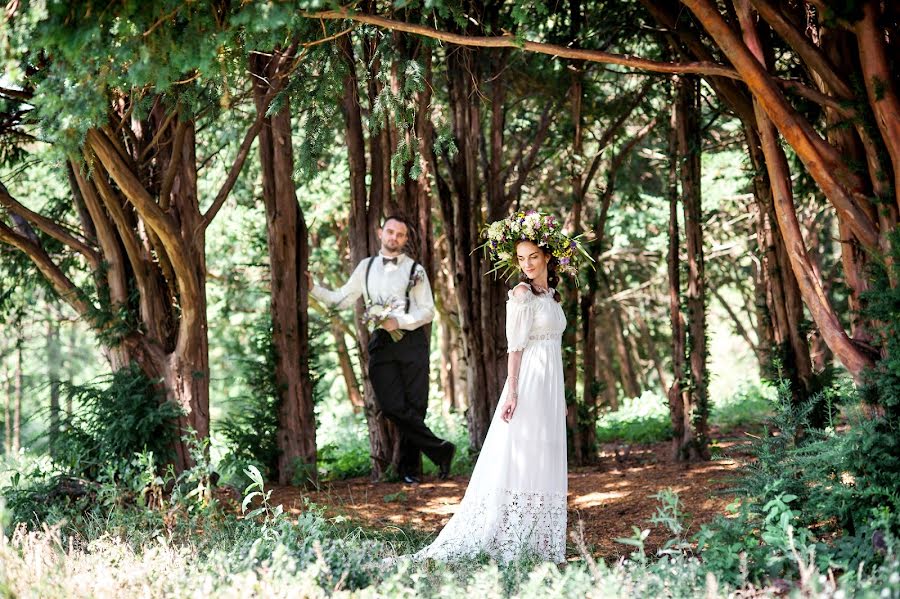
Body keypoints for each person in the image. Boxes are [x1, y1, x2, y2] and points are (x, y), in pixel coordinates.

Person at [403, 210, 588, 565]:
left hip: (549, 386)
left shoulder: (551, 295)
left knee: (544, 455)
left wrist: (561, 396)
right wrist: (513, 391)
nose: (528, 264)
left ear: (547, 256)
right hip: (528, 382)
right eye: (521, 259)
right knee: (523, 453)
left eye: (533, 256)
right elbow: (515, 347)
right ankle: (512, 539)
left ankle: (539, 542)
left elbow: (553, 348)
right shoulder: (521, 294)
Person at [306, 215, 455, 484]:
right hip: (382, 344)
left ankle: (409, 471)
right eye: (390, 232)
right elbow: (341, 299)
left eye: (400, 234)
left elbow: (428, 311)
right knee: (392, 406)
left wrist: (399, 321)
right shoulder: (366, 267)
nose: (394, 238)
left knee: (414, 407)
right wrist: (313, 289)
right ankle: (440, 449)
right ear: (380, 232)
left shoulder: (415, 270)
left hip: (412, 342)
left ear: (406, 239)